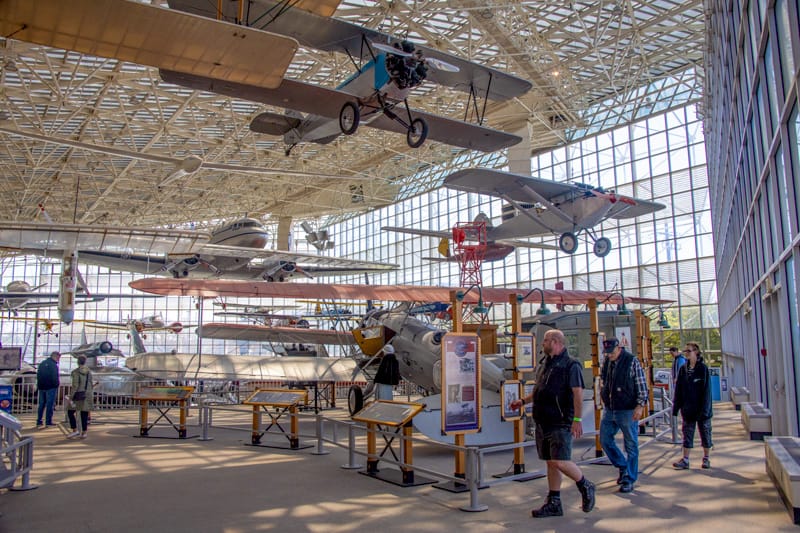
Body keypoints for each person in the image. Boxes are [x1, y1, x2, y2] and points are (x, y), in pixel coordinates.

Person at [510, 329, 595, 518]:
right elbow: (541, 391)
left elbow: (577, 394)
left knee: (560, 460)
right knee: (551, 463)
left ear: (556, 342)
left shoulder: (571, 365)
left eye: (546, 340)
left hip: (560, 421)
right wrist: (523, 401)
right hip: (543, 421)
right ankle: (554, 502)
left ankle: (585, 484)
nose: (543, 343)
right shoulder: (546, 364)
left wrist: (577, 419)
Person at [599, 337, 648, 493]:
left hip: (627, 409)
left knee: (631, 444)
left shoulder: (631, 361)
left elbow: (641, 384)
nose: (609, 355)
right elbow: (604, 381)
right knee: (605, 439)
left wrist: (640, 406)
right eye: (606, 353)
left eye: (611, 352)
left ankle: (629, 477)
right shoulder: (607, 362)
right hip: (610, 408)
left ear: (619, 347)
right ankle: (623, 465)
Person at [672, 342, 713, 469]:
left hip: (702, 409)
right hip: (688, 408)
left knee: (705, 433)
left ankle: (706, 458)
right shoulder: (683, 370)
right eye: (686, 351)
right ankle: (685, 459)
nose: (687, 354)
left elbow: (706, 391)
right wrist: (676, 408)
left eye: (689, 351)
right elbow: (678, 390)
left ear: (696, 352)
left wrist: (705, 410)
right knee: (687, 433)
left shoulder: (703, 369)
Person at [66, 355, 94, 439]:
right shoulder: (89, 372)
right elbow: (90, 383)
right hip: (87, 394)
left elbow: (75, 385)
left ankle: (75, 430)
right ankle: (84, 432)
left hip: (77, 395)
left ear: (77, 362)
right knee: (84, 413)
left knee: (70, 411)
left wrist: (71, 397)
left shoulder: (75, 372)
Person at [36, 351, 61, 429]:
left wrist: (39, 385)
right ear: (55, 357)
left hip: (41, 387)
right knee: (50, 405)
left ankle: (39, 421)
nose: (58, 360)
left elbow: (38, 375)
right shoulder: (53, 365)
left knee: (41, 404)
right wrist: (56, 384)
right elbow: (54, 377)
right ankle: (48, 422)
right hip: (50, 387)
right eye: (58, 358)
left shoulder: (42, 363)